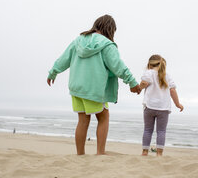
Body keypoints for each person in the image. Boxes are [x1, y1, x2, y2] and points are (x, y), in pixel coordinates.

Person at [47, 14, 141, 155]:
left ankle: (80, 154)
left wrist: (53, 72)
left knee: (83, 120)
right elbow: (118, 66)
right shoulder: (107, 45)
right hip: (94, 89)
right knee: (104, 117)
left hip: (76, 88)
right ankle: (100, 153)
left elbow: (64, 59)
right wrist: (132, 82)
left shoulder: (78, 41)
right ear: (110, 29)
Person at [139, 54, 184, 156]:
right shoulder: (167, 75)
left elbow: (144, 83)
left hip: (149, 107)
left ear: (149, 65)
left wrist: (139, 89)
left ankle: (145, 152)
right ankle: (159, 154)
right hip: (163, 108)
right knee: (161, 131)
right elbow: (172, 90)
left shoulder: (149, 73)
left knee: (147, 130)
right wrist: (178, 104)